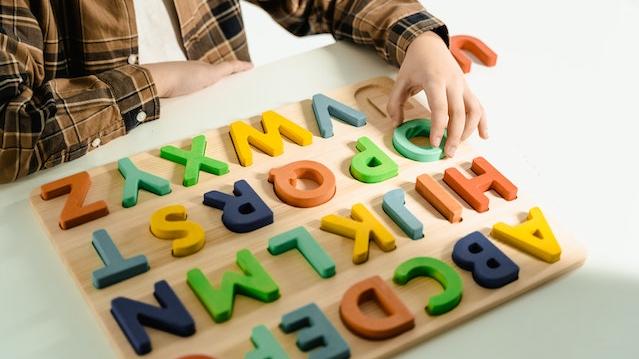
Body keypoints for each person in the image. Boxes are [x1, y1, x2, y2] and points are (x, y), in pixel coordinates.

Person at [0, 0, 487, 184]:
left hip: (234, 162)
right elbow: (10, 130)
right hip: (103, 178)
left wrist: (417, 36)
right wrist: (159, 80)